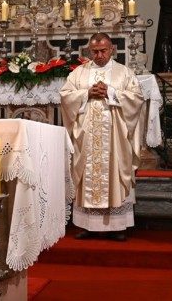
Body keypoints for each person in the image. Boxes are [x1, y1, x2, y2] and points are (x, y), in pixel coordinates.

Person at [59, 33, 144, 241]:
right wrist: (86, 93)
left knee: (114, 172)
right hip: (87, 135)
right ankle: (88, 224)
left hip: (115, 137)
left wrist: (111, 92)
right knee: (87, 172)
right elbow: (65, 96)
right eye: (95, 51)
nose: (99, 55)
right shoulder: (79, 73)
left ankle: (118, 225)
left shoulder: (124, 73)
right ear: (89, 51)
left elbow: (137, 98)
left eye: (103, 50)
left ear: (112, 49)